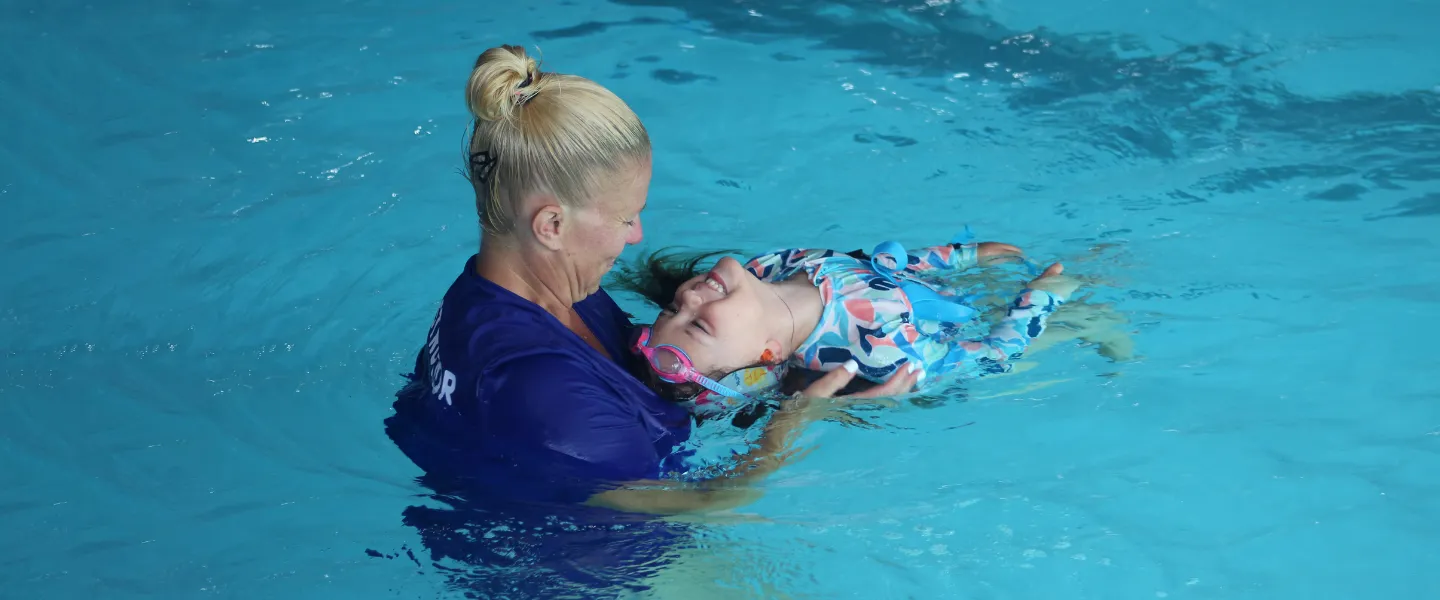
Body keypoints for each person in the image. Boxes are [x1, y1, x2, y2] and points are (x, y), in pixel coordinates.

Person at [383, 44, 919, 522]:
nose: (637, 234)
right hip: (581, 574)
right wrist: (791, 427)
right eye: (624, 217)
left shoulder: (526, 293)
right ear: (552, 225)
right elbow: (705, 506)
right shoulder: (544, 390)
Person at [614, 240, 1081, 415]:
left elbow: (872, 264)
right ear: (768, 354)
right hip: (966, 315)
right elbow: (994, 357)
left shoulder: (769, 268)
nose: (690, 297)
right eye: (697, 323)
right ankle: (1090, 326)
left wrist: (959, 256)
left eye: (674, 307)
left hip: (941, 283)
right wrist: (1038, 298)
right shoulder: (874, 350)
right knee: (1091, 278)